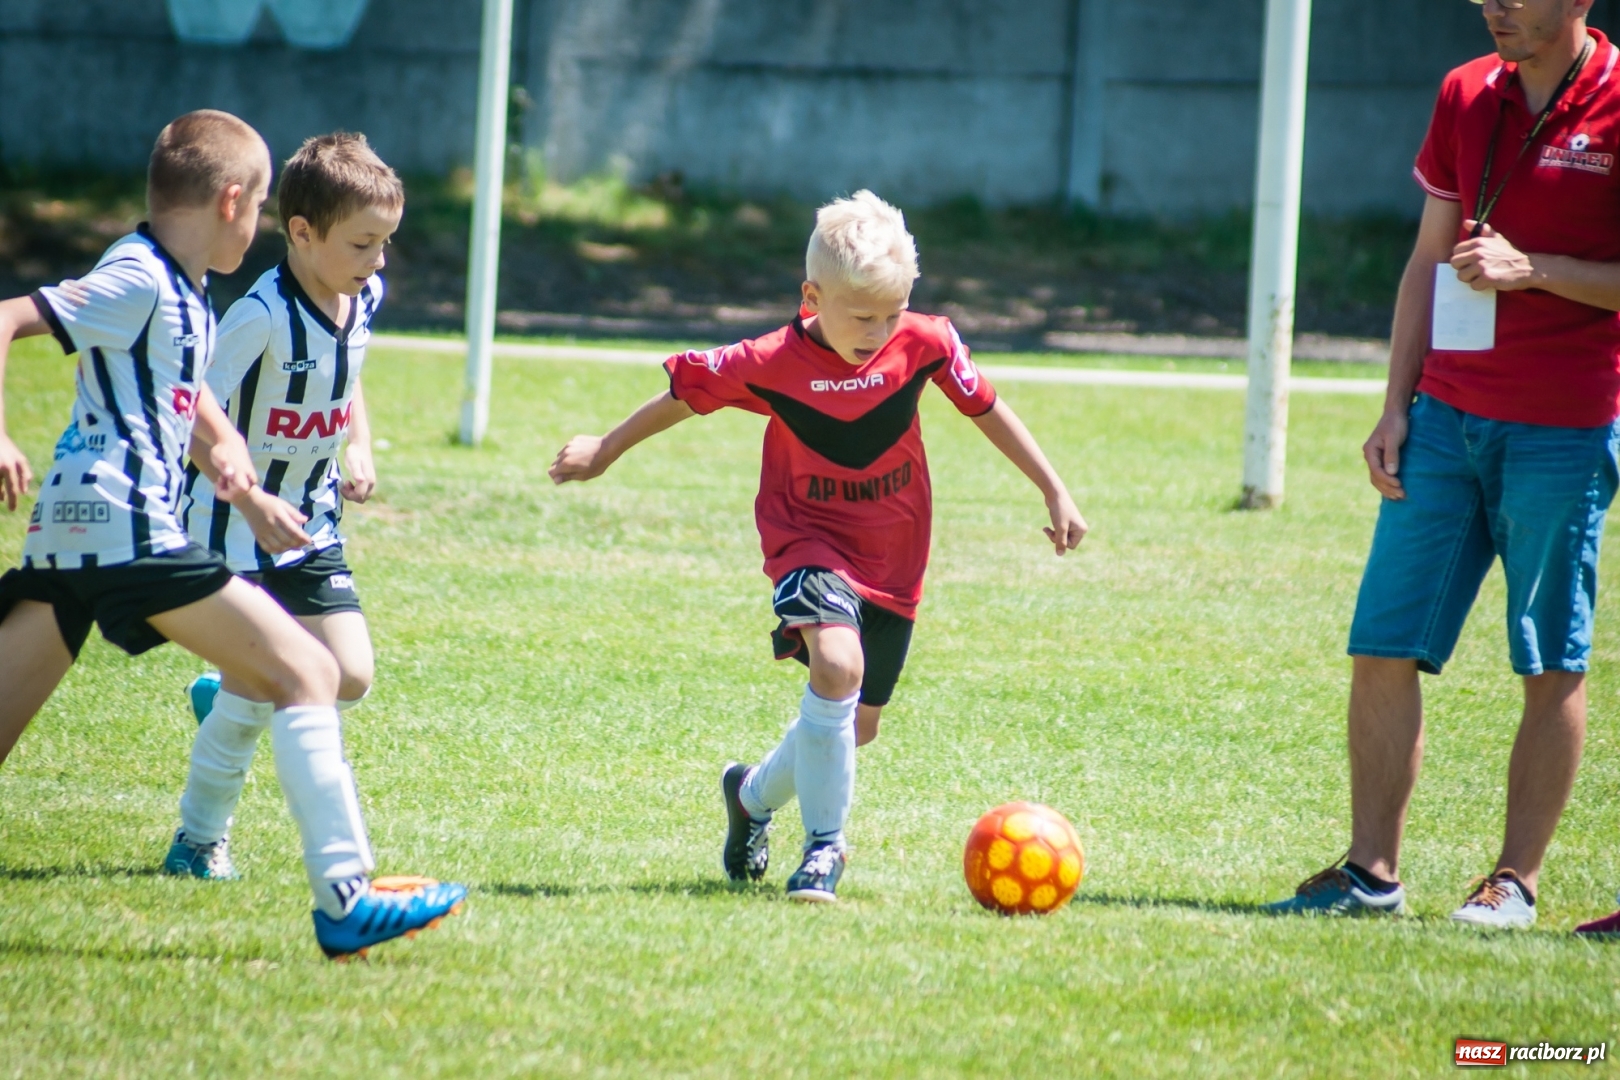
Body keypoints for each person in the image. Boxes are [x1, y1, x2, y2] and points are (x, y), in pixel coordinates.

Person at [0, 110, 463, 960]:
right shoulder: (143, 275)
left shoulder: (181, 290)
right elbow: (4, 319)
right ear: (235, 202)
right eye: (252, 218)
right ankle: (345, 897)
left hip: (71, 532)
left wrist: (241, 474)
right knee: (308, 672)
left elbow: (190, 395)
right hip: (128, 522)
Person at [550, 190, 1087, 901]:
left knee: (852, 730)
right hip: (806, 539)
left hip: (896, 561)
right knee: (836, 664)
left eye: (891, 313)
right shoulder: (769, 359)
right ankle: (825, 850)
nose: (878, 330)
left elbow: (986, 406)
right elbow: (682, 395)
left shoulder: (927, 342)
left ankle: (750, 797)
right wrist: (606, 449)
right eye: (861, 316)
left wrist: (1053, 488)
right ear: (812, 297)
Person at [1267, 0, 1620, 930]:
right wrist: (1395, 407)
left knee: (1550, 659)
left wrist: (1532, 268)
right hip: (1446, 422)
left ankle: (1515, 881)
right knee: (1382, 643)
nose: (1494, 4)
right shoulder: (1465, 90)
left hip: (1566, 429)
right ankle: (1370, 875)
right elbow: (1429, 259)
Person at [167, 132, 398, 884]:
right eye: (363, 244)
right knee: (255, 687)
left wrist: (356, 444)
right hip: (233, 527)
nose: (378, 262)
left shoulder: (362, 297)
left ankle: (238, 687)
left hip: (311, 524)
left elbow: (348, 372)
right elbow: (189, 409)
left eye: (386, 244)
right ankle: (197, 843)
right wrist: (250, 491)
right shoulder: (259, 317)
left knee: (350, 676)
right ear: (301, 233)